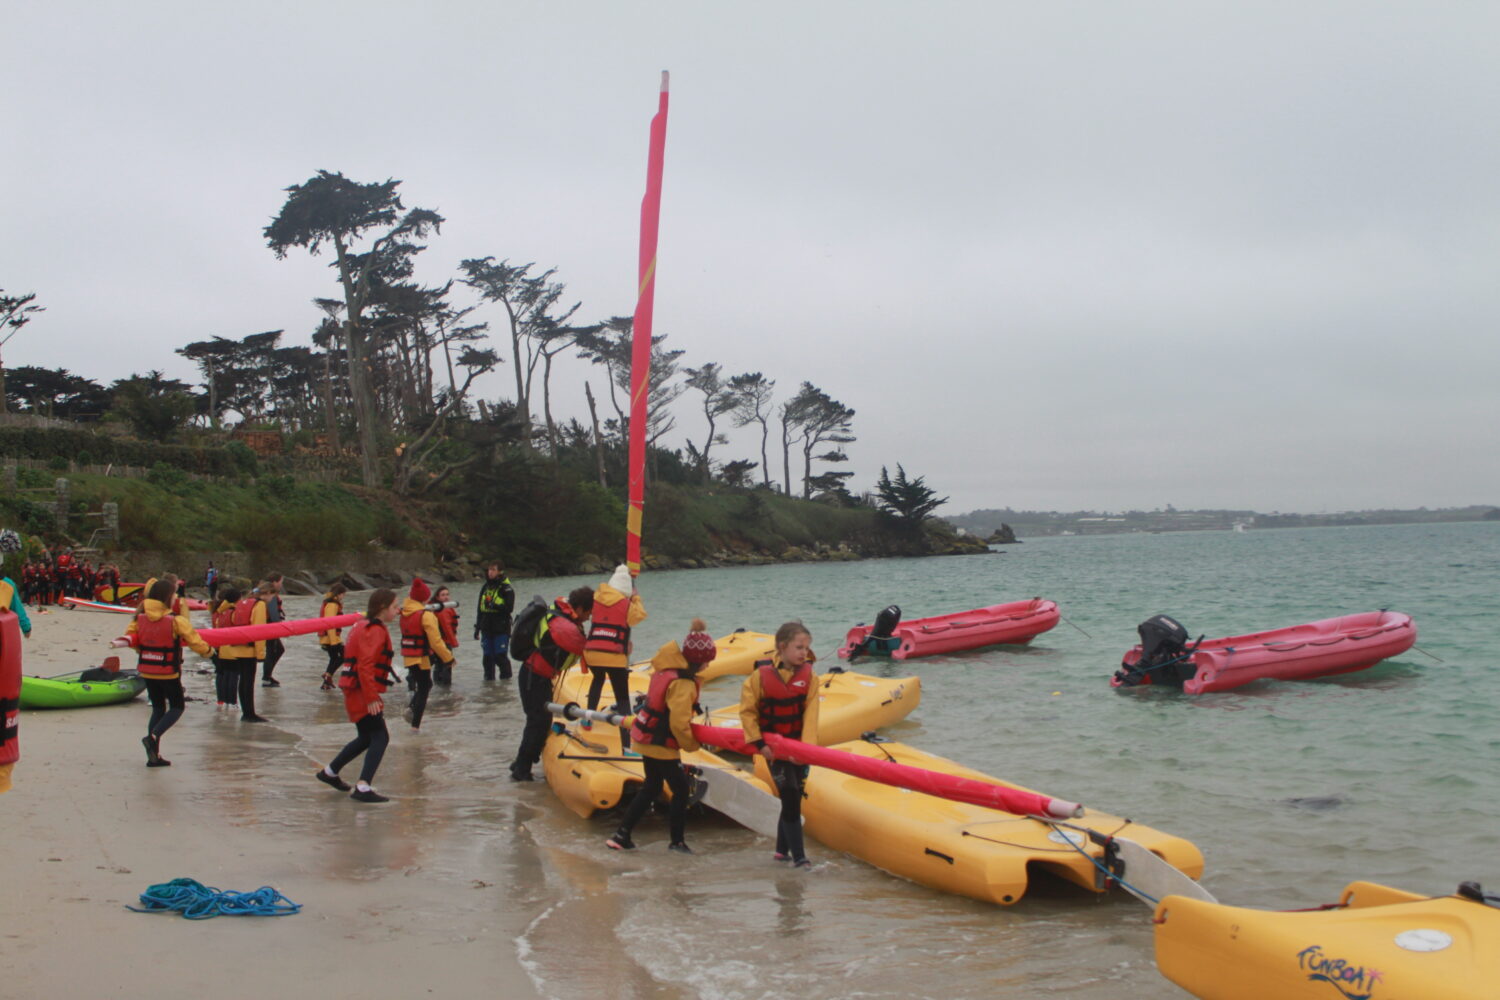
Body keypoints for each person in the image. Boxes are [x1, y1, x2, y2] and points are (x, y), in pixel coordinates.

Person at [606, 620, 717, 853]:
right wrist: (692, 745)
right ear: (698, 660)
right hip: (660, 745)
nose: (708, 665)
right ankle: (677, 842)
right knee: (680, 789)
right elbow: (678, 723)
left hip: (645, 739)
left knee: (652, 786)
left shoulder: (666, 671)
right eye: (707, 660)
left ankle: (621, 835)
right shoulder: (683, 684)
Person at [739, 620, 821, 868]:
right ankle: (800, 858)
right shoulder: (759, 677)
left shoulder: (810, 677)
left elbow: (811, 715)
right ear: (782, 647)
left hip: (797, 749)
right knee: (790, 796)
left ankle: (780, 852)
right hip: (772, 749)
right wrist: (759, 743)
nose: (803, 653)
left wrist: (805, 751)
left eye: (806, 648)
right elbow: (748, 712)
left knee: (792, 798)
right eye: (798, 647)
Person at [115, 578, 213, 767]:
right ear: (168, 597)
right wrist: (210, 653)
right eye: (174, 594)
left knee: (158, 708)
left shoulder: (139, 617)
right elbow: (194, 641)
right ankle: (153, 737)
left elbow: (134, 641)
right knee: (177, 707)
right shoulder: (176, 620)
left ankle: (154, 756)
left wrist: (148, 652)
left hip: (147, 670)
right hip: (168, 672)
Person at [315, 588, 401, 803]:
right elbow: (365, 665)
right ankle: (363, 786)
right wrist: (372, 697)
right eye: (395, 607)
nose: (398, 611)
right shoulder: (374, 630)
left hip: (354, 688)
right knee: (381, 737)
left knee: (366, 737)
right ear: (382, 608)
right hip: (362, 691)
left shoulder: (363, 624)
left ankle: (330, 772)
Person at [509, 586, 593, 782]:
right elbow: (587, 648)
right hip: (533, 677)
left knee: (540, 721)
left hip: (537, 676)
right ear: (579, 608)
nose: (589, 618)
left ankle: (522, 761)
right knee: (537, 722)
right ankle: (521, 769)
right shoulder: (564, 627)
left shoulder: (564, 617)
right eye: (589, 613)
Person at [583, 564, 647, 748]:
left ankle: (587, 719)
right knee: (623, 700)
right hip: (615, 657)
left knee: (597, 679)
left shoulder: (596, 598)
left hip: (592, 654)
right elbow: (639, 616)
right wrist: (636, 598)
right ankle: (627, 746)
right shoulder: (627, 604)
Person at [398, 578, 454, 731]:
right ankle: (415, 725)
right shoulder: (426, 615)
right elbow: (436, 641)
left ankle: (411, 710)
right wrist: (449, 658)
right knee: (425, 686)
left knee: (423, 684)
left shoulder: (405, 612)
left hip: (408, 654)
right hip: (421, 656)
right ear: (424, 598)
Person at [219, 587, 268, 722]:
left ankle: (245, 710)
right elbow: (259, 631)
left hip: (234, 648)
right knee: (247, 681)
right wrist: (260, 654)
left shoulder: (229, 608)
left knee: (241, 680)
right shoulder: (259, 605)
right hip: (248, 650)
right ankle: (248, 713)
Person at [474, 561, 515, 681]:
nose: (490, 572)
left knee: (500, 656)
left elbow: (509, 608)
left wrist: (493, 605)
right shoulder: (485, 587)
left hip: (501, 627)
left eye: (493, 570)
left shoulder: (507, 589)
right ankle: (489, 684)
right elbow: (479, 609)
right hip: (486, 626)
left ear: (500, 572)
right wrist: (477, 628)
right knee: (487, 658)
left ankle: (506, 684)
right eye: (489, 570)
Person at [211, 588, 241, 709]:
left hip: (218, 647)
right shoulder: (233, 612)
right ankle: (232, 702)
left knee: (221, 674)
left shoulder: (217, 611)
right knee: (233, 675)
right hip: (231, 648)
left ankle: (220, 700)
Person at [317, 583, 348, 690]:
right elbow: (330, 623)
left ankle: (326, 681)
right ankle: (327, 675)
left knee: (334, 658)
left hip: (330, 637)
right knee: (345, 655)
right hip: (330, 638)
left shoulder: (331, 602)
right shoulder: (332, 604)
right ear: (339, 594)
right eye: (343, 595)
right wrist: (334, 641)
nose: (343, 597)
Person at [431, 586, 460, 686]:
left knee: (438, 666)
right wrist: (454, 643)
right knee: (447, 665)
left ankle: (438, 686)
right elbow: (447, 628)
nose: (446, 597)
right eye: (443, 595)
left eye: (447, 594)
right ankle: (446, 689)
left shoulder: (436, 608)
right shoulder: (443, 610)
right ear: (438, 597)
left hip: (436, 643)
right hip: (444, 642)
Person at [260, 576, 285, 686]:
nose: (281, 584)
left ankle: (267, 676)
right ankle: (266, 678)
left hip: (266, 627)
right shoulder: (271, 595)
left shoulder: (263, 592)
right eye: (281, 581)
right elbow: (274, 614)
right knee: (275, 650)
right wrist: (280, 628)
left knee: (276, 650)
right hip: (269, 628)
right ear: (275, 582)